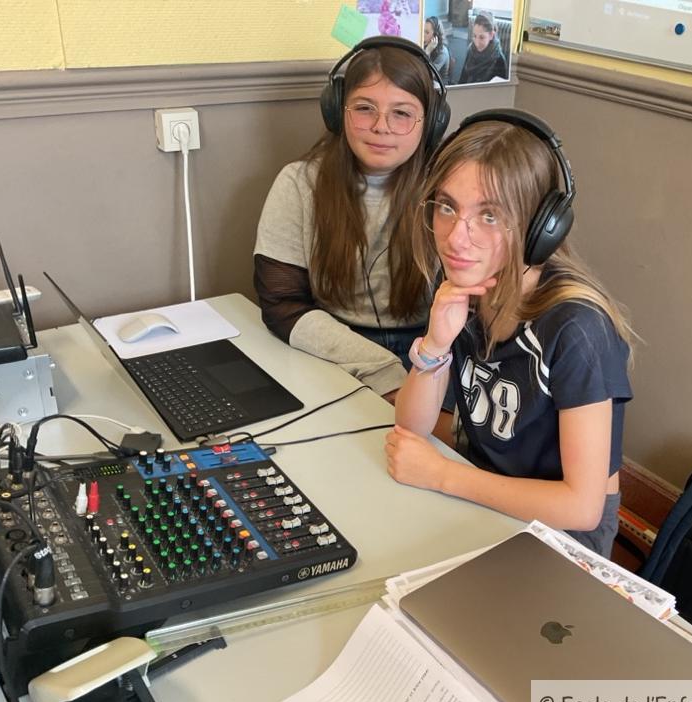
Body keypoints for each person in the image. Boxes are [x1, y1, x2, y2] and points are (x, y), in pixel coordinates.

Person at [385, 109, 636, 558]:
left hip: (560, 535)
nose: (456, 238)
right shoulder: (467, 284)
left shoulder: (578, 330)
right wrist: (436, 343)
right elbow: (412, 426)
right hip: (484, 495)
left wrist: (442, 475)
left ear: (541, 228)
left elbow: (581, 507)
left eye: (489, 216)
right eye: (447, 207)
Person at [253, 37, 449, 400]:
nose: (381, 126)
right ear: (337, 111)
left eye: (402, 113)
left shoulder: (451, 192)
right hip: (331, 349)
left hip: (431, 353)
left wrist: (425, 373)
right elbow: (282, 305)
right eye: (364, 108)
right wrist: (384, 371)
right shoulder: (298, 184)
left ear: (432, 122)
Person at [457, 12, 508, 84]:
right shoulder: (470, 50)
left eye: (482, 37)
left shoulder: (499, 60)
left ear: (491, 35)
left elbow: (501, 89)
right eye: (474, 36)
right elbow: (462, 80)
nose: (476, 43)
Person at [424, 16, 451, 81]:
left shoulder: (443, 52)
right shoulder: (425, 44)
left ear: (436, 36)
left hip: (439, 85)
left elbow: (429, 75)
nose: (423, 35)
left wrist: (427, 52)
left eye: (427, 32)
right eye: (423, 31)